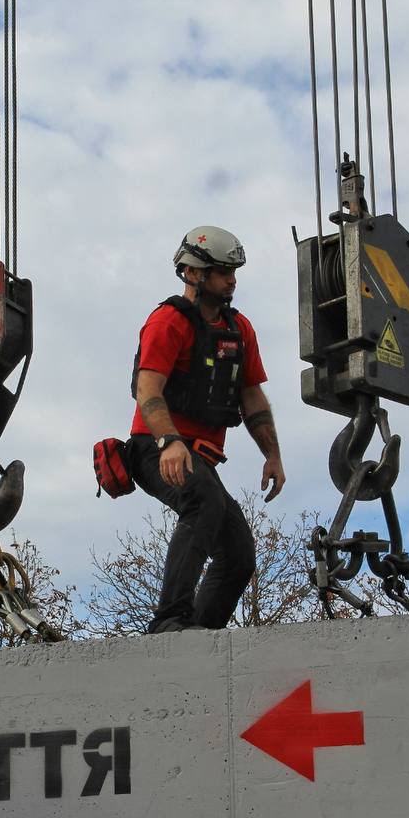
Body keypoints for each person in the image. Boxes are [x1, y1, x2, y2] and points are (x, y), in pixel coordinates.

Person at [128, 225, 285, 633]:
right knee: (203, 500)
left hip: (199, 457)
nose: (232, 280)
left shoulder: (239, 329)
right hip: (154, 448)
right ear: (194, 273)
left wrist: (273, 455)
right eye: (223, 271)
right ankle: (170, 623)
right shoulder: (167, 322)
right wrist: (169, 443)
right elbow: (148, 392)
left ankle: (199, 637)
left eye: (234, 271)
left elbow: (252, 397)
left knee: (237, 555)